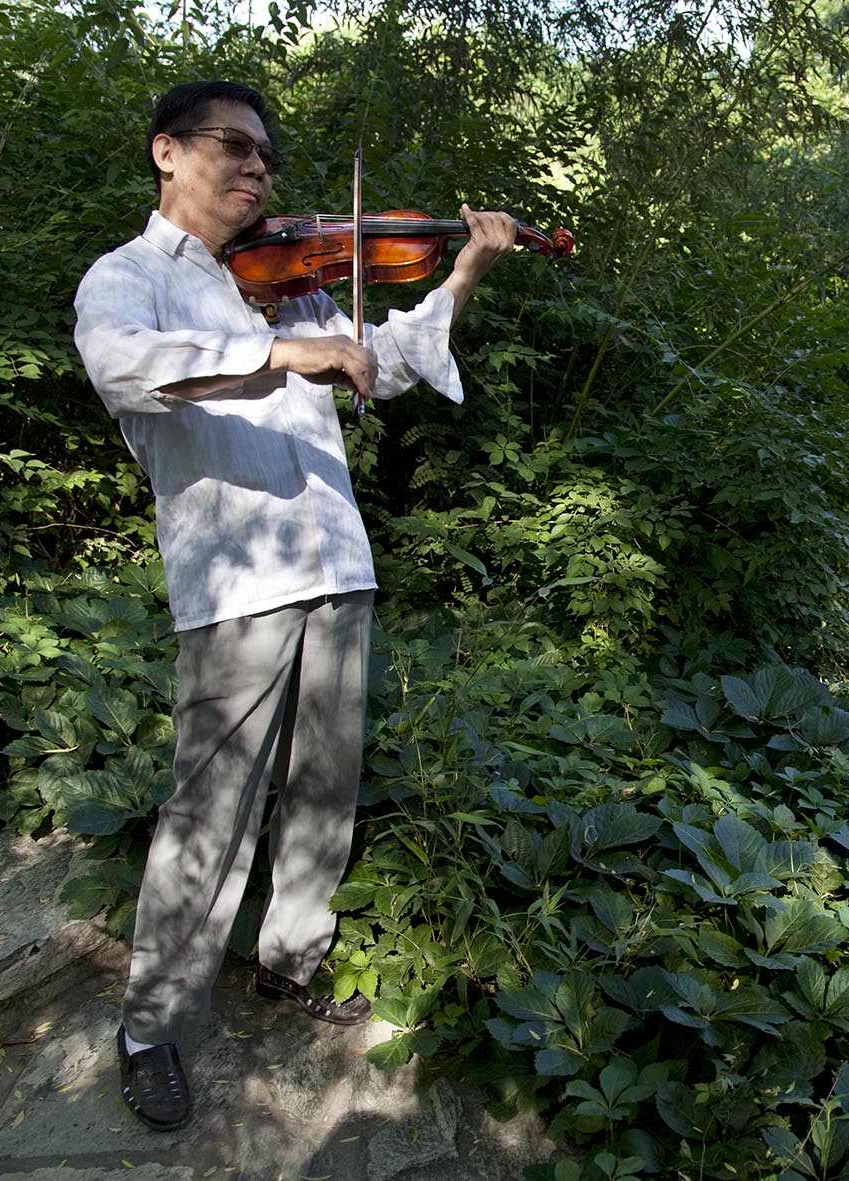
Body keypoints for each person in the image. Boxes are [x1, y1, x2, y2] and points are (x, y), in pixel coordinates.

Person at [73, 80, 516, 1132]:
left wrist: (463, 272)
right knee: (209, 811)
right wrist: (278, 351)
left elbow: (389, 362)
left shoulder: (292, 282)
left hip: (335, 565)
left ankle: (288, 960)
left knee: (325, 784)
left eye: (265, 155)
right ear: (166, 154)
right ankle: (151, 1028)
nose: (255, 168)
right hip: (235, 586)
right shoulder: (127, 279)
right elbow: (126, 369)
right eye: (232, 146)